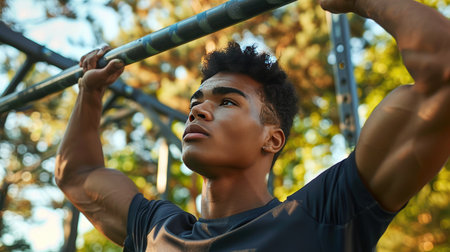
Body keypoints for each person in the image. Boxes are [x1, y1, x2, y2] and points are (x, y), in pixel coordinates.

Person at [55, 0, 450, 251]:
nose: (198, 111)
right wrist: (89, 94)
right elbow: (77, 174)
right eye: (197, 102)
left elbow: (443, 77)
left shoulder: (325, 214)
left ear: (272, 138)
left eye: (226, 101)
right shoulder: (157, 231)